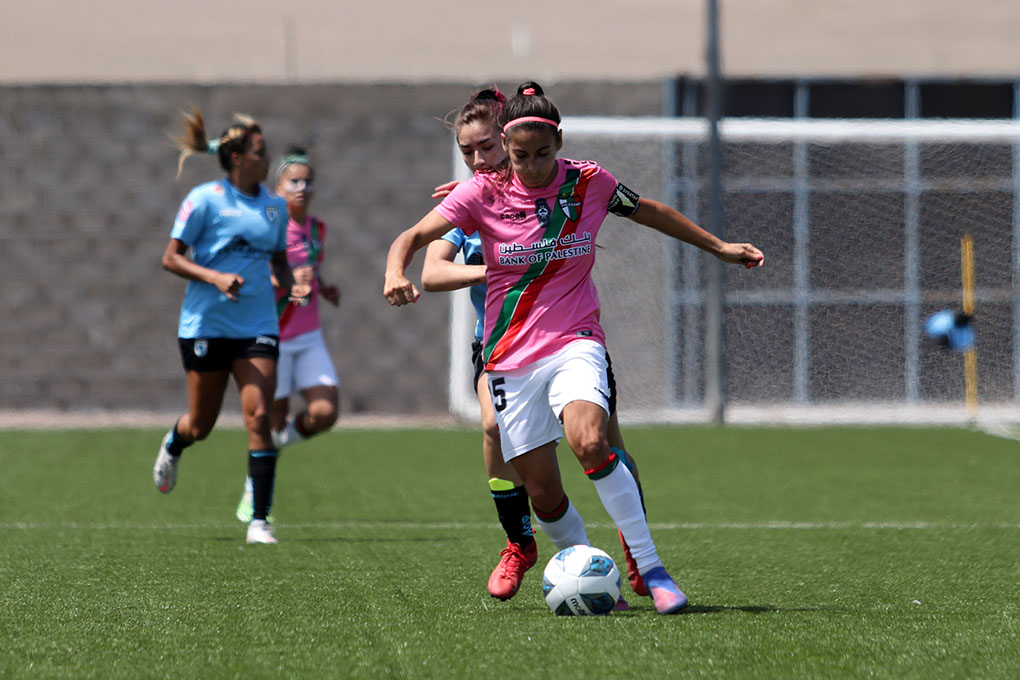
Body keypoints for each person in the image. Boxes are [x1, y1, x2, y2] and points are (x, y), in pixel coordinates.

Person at [386, 82, 764, 615]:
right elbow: (412, 238)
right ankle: (579, 564)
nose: (534, 166)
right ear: (508, 149)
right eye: (521, 157)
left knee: (591, 442)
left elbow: (651, 211)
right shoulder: (480, 195)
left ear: (558, 143)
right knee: (541, 490)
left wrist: (719, 247)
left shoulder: (589, 182)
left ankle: (652, 568)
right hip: (509, 358)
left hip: (574, 341)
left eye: (544, 154)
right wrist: (393, 272)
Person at [421, 88, 649, 605]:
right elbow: (432, 270)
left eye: (486, 148)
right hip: (503, 347)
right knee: (491, 426)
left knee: (604, 444)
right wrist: (501, 266)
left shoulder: (553, 187)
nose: (479, 160)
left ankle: (634, 543)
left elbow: (603, 209)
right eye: (468, 153)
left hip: (569, 338)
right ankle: (519, 543)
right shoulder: (471, 203)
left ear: (511, 140)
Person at [153, 110, 309, 545]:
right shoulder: (204, 199)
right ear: (239, 158)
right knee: (200, 424)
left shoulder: (275, 207)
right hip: (206, 324)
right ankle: (174, 443)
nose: (268, 159)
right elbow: (171, 257)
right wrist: (216, 277)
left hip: (257, 325)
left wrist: (290, 282)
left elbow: (277, 259)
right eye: (261, 152)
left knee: (259, 415)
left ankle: (259, 520)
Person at [234, 147, 342, 523]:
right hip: (272, 338)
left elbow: (310, 270)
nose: (302, 186)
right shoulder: (264, 227)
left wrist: (323, 288)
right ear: (276, 187)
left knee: (325, 412)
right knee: (268, 420)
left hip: (308, 335)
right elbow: (249, 279)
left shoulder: (316, 228)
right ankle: (255, 489)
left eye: (307, 180)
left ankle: (275, 448)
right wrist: (286, 281)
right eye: (293, 180)